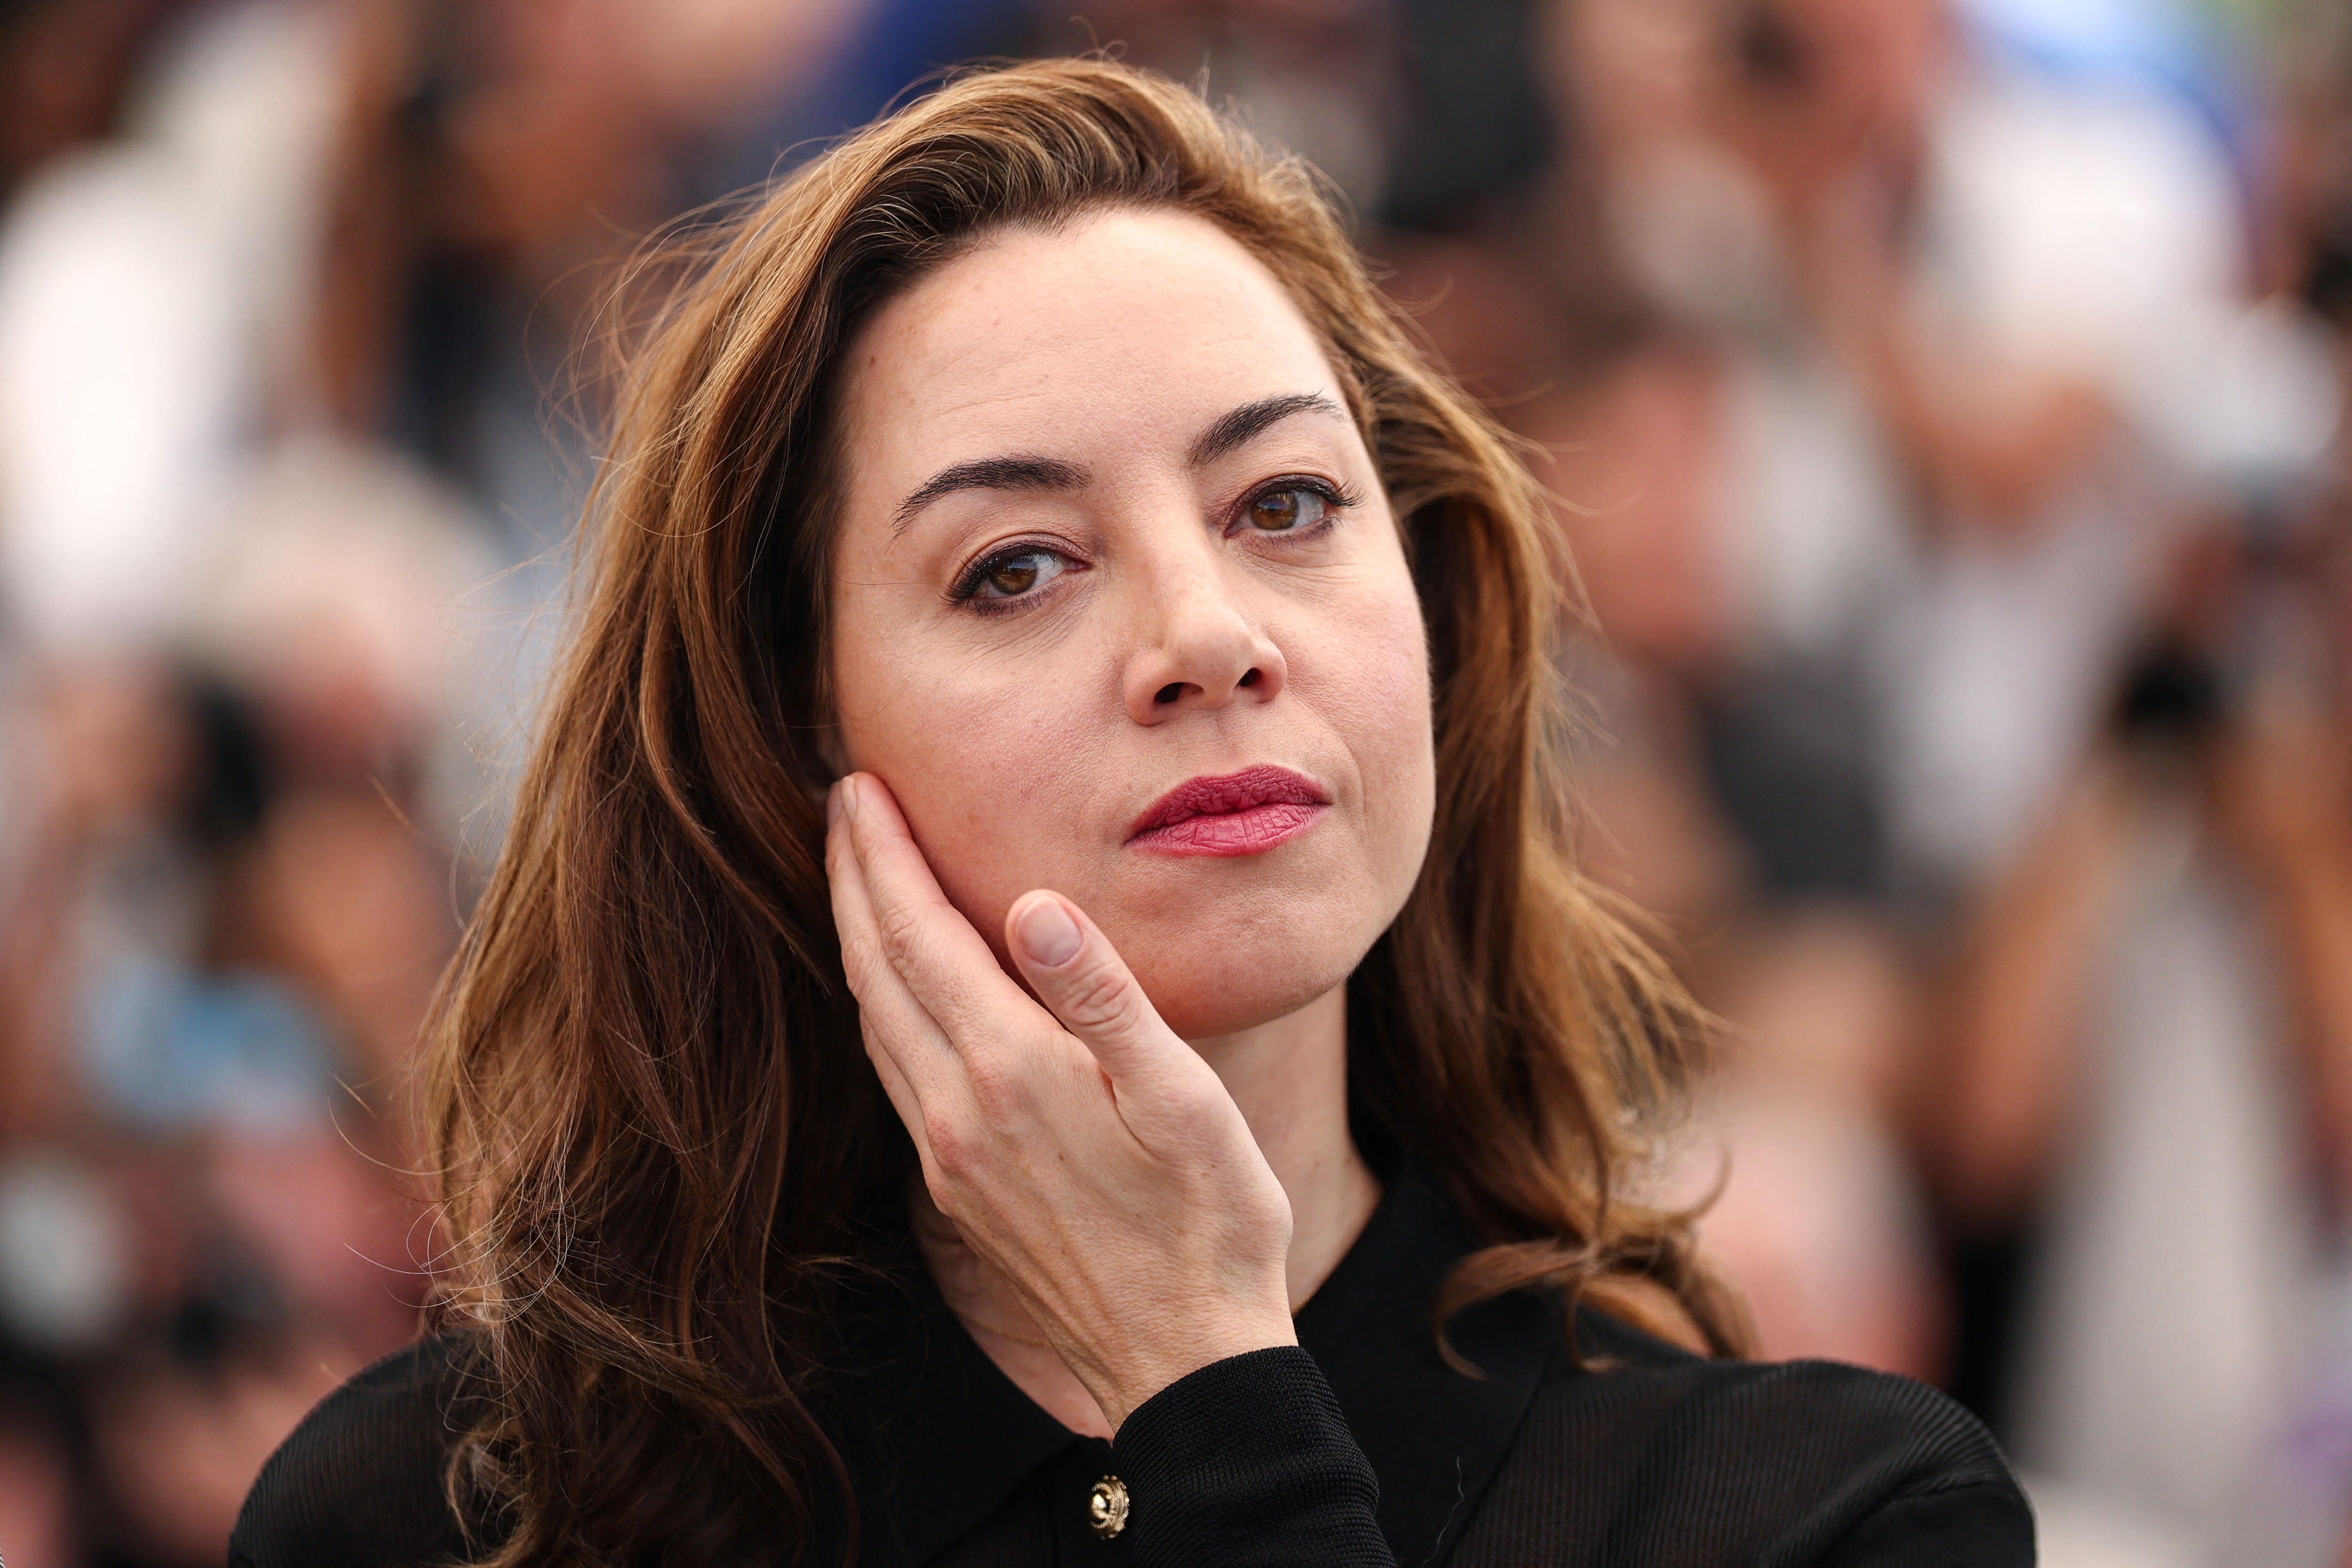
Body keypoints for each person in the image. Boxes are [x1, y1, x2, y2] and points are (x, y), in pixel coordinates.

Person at [227, 58, 2031, 1568]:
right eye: (1016, 567)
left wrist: (1205, 1384)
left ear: (1439, 613)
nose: (1205, 635)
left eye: (1286, 506)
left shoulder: (1821, 1514)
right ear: (790, 734)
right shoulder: (453, 1517)